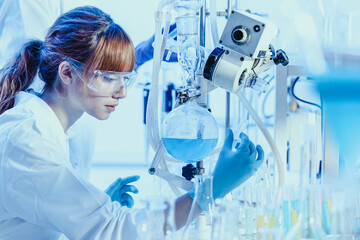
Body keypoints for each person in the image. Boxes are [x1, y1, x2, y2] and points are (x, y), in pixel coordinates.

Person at [0, 6, 264, 240]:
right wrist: (213, 188)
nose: (122, 92)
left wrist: (84, 211)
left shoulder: (42, 125)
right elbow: (116, 230)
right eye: (108, 78)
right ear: (67, 73)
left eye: (125, 79)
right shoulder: (27, 140)